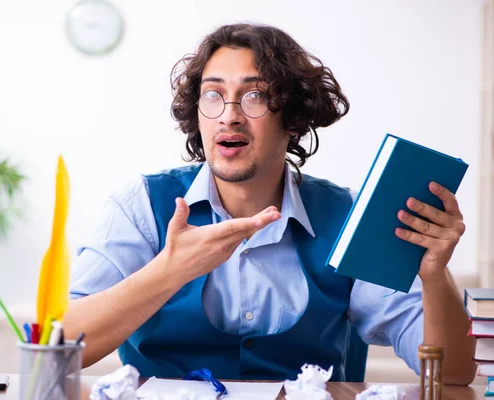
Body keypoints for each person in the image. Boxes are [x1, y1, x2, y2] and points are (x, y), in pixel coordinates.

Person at [65, 23, 476, 383]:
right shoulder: (141, 207)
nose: (229, 116)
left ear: (294, 119)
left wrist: (434, 276)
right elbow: (63, 346)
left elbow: (455, 373)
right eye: (213, 95)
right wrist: (167, 273)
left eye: (255, 96)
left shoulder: (348, 217)